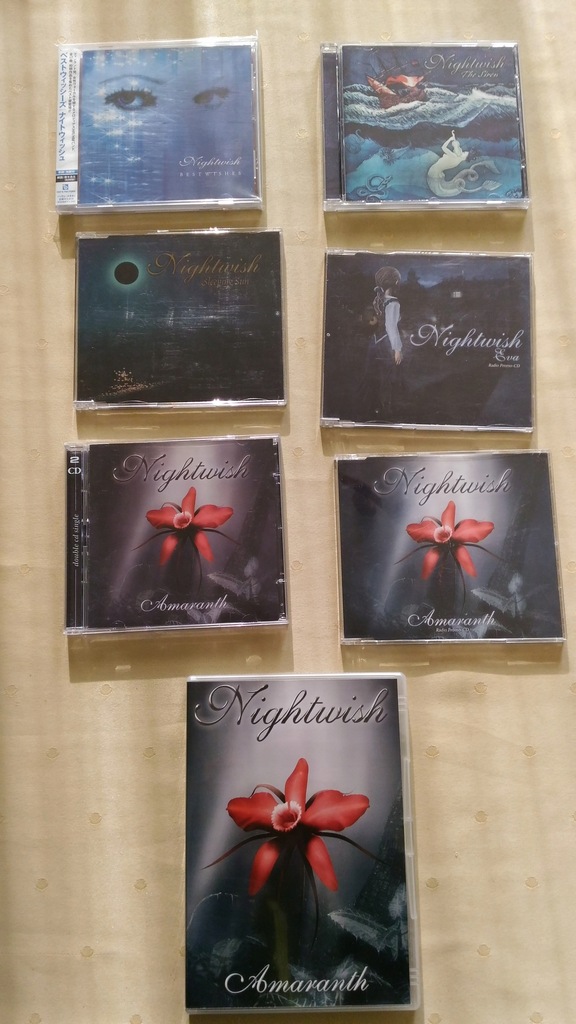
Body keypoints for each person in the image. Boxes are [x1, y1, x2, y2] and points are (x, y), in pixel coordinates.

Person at [363, 265, 403, 419]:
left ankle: (373, 408)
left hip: (374, 342)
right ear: (396, 282)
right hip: (386, 344)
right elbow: (391, 327)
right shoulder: (394, 303)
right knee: (386, 379)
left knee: (373, 377)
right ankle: (386, 411)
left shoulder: (378, 300)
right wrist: (397, 349)